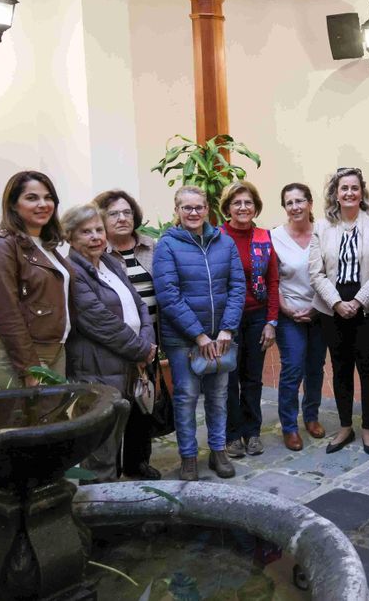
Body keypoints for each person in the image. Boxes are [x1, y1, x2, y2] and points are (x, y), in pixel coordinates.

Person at [153, 186, 246, 481]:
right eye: (186, 208)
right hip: (183, 341)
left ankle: (218, 451)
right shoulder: (166, 245)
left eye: (198, 207)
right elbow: (168, 295)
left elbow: (237, 287)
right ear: (177, 211)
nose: (193, 213)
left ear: (208, 209)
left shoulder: (224, 242)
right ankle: (189, 457)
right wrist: (199, 335)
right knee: (186, 398)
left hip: (221, 338)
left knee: (218, 397)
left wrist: (227, 329)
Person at [63, 204, 156, 483]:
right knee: (100, 447)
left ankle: (112, 497)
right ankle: (98, 507)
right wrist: (142, 349)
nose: (95, 237)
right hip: (97, 367)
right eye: (85, 232)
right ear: (70, 237)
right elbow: (99, 321)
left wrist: (147, 341)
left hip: (127, 362)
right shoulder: (73, 273)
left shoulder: (110, 263)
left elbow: (139, 304)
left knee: (117, 435)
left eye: (98, 230)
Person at [309, 168, 369, 455]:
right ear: (335, 193)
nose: (349, 193)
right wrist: (336, 303)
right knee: (340, 367)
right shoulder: (321, 227)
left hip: (368, 308)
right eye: (343, 188)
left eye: (354, 188)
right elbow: (315, 272)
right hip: (332, 309)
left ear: (362, 192)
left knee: (367, 368)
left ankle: (367, 427)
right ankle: (345, 426)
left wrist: (357, 302)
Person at [0, 171, 71, 392]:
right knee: (20, 425)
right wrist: (30, 368)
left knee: (55, 423)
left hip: (54, 350)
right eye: (32, 198)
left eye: (48, 198)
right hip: (17, 357)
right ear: (13, 204)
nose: (43, 204)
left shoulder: (44, 246)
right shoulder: (0, 246)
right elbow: (5, 312)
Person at [95, 189, 162, 480]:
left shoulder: (152, 247)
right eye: (113, 214)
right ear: (101, 219)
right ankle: (109, 467)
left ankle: (138, 461)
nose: (122, 218)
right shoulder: (97, 253)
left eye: (127, 212)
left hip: (149, 339)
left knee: (142, 402)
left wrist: (151, 340)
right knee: (114, 404)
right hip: (114, 343)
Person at [219, 181, 282, 457]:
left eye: (248, 203)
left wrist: (271, 322)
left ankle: (252, 432)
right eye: (237, 203)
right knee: (229, 380)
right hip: (227, 321)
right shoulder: (217, 236)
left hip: (257, 317)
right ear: (227, 208)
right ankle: (231, 435)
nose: (243, 208)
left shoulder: (265, 237)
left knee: (253, 378)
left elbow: (273, 280)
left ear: (255, 207)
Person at [271, 183, 327, 450]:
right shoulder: (275, 237)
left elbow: (331, 274)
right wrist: (284, 308)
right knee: (293, 367)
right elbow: (273, 279)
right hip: (288, 313)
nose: (295, 207)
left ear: (310, 203)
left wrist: (316, 307)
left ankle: (312, 416)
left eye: (300, 201)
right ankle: (289, 426)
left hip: (320, 311)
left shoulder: (323, 233)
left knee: (315, 367)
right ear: (284, 207)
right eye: (289, 202)